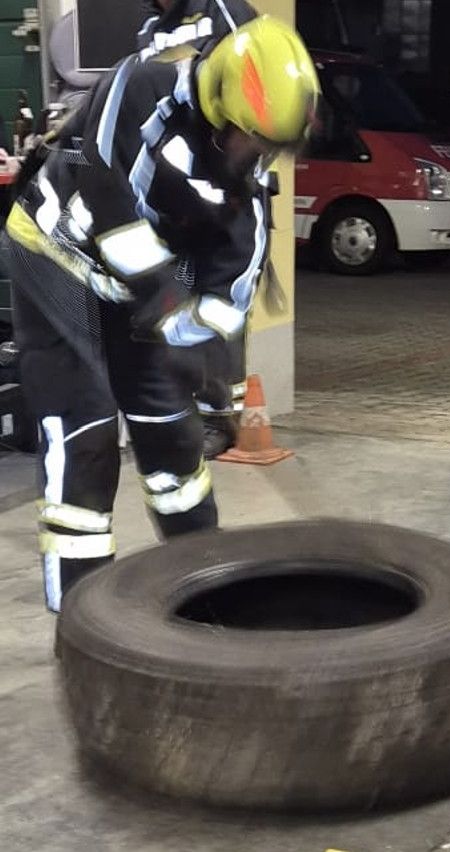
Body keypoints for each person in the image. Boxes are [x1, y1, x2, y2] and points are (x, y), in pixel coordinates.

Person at [2, 16, 319, 612]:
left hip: (137, 294)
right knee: (86, 433)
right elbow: (106, 200)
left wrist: (210, 391)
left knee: (172, 438)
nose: (262, 157)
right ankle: (83, 619)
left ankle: (208, 595)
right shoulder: (138, 89)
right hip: (55, 256)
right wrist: (164, 298)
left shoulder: (242, 202)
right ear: (223, 107)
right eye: (256, 140)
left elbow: (224, 309)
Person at [136, 0, 259, 458]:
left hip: (227, 181)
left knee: (221, 296)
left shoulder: (227, 12)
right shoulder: (150, 28)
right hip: (176, 187)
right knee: (172, 296)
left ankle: (221, 417)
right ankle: (179, 407)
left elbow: (253, 87)